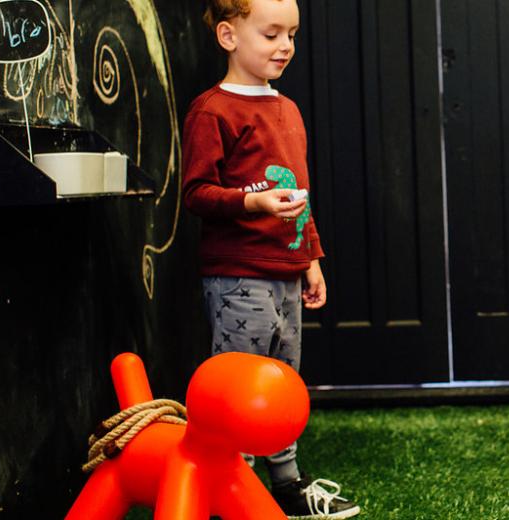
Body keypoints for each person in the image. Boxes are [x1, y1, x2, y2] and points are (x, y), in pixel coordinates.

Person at [182, 0, 360, 517]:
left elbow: (299, 192)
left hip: (286, 275)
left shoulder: (287, 109)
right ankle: (229, 490)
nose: (285, 46)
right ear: (228, 36)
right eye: (271, 34)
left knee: (282, 381)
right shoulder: (212, 110)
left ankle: (285, 483)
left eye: (292, 34)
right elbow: (195, 193)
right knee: (242, 387)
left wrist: (312, 258)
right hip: (238, 276)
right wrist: (250, 201)